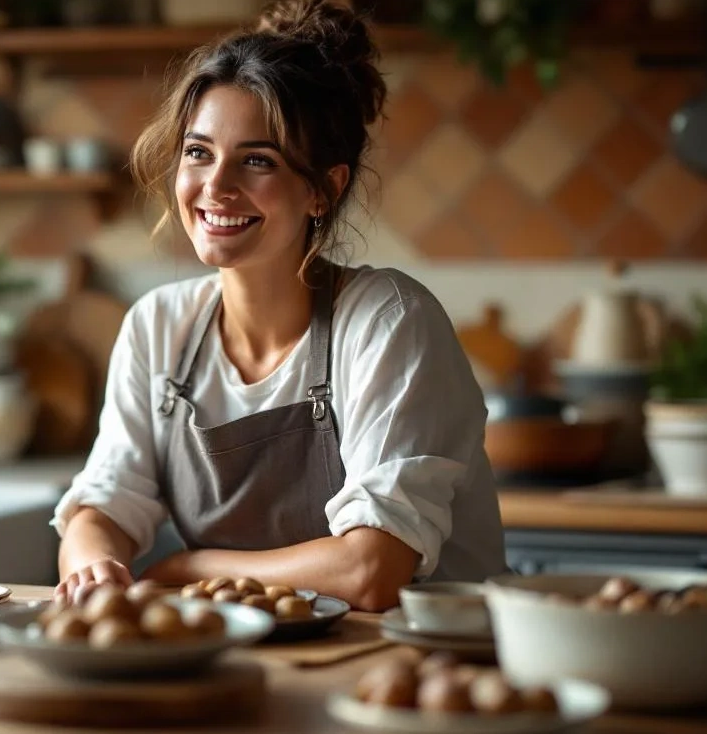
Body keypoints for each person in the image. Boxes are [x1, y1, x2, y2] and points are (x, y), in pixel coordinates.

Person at [51, 0, 506, 611]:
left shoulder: (387, 320)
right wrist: (95, 565)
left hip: (427, 667)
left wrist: (190, 568)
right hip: (259, 660)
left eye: (258, 160)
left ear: (324, 188)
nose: (215, 187)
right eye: (198, 152)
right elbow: (101, 505)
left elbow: (374, 568)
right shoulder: (158, 327)